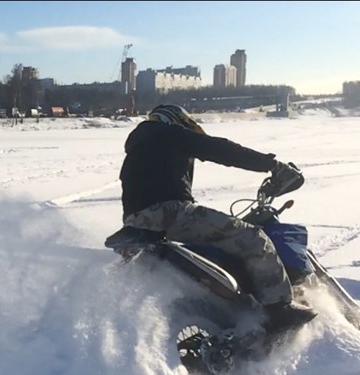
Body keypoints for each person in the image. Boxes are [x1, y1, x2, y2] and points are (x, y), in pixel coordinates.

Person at [118, 104, 316, 337]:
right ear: (175, 120)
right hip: (170, 213)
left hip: (140, 220)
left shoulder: (143, 144)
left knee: (220, 238)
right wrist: (271, 165)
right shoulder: (165, 133)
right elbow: (218, 149)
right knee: (254, 238)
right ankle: (279, 309)